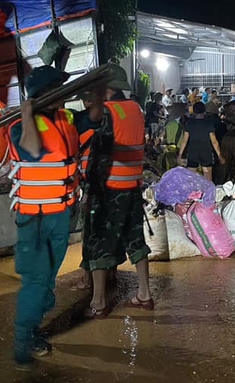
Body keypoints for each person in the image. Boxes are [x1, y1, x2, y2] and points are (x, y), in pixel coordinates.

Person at [6, 65, 84, 369]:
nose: (64, 95)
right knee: (37, 282)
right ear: (45, 94)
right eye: (58, 89)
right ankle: (22, 343)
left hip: (59, 216)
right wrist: (27, 113)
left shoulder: (65, 121)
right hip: (34, 221)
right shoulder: (19, 127)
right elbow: (32, 150)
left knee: (48, 282)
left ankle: (33, 329)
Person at [80, 67, 153, 318]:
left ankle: (98, 302)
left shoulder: (108, 113)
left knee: (100, 242)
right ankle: (144, 293)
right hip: (132, 187)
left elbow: (100, 157)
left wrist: (89, 191)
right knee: (135, 238)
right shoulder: (136, 109)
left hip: (109, 190)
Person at [177, 102, 224, 182]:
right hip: (206, 152)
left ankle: (193, 193)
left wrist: (180, 155)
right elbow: (214, 142)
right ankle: (207, 193)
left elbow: (184, 141)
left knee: (191, 178)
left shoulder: (189, 123)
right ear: (204, 112)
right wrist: (220, 156)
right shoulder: (208, 124)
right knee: (208, 177)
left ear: (194, 112)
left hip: (192, 152)